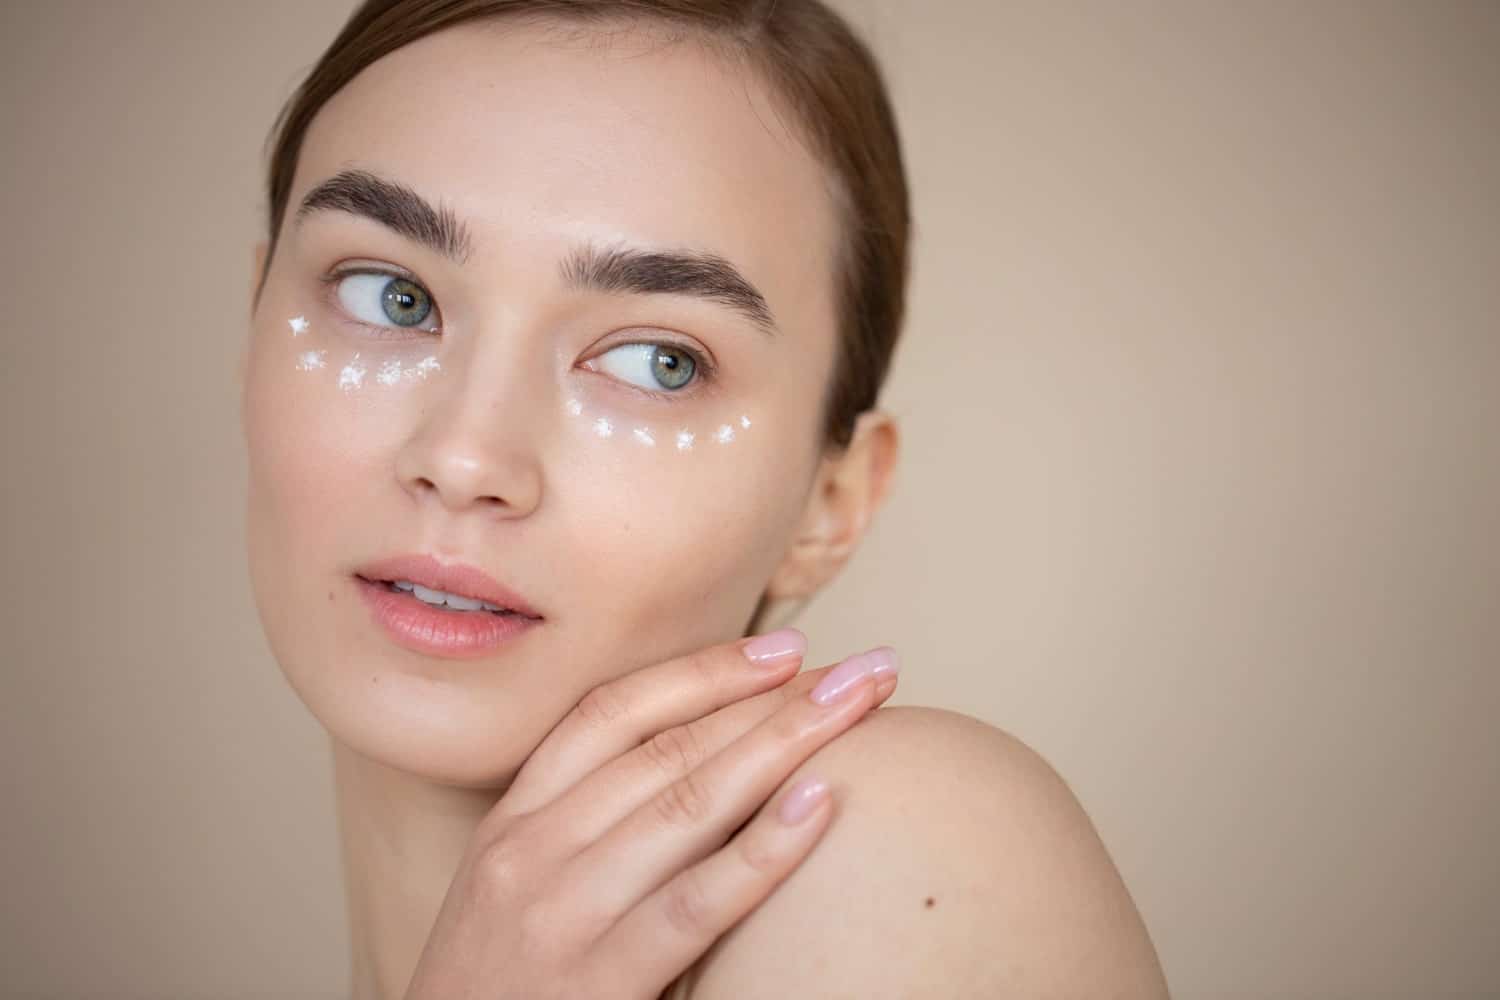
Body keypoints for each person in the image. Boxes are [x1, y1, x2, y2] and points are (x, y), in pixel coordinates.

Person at [237, 1, 1170, 996]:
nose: (465, 458)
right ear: (250, 326)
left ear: (832, 501)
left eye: (659, 361)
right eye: (392, 295)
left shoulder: (896, 843)